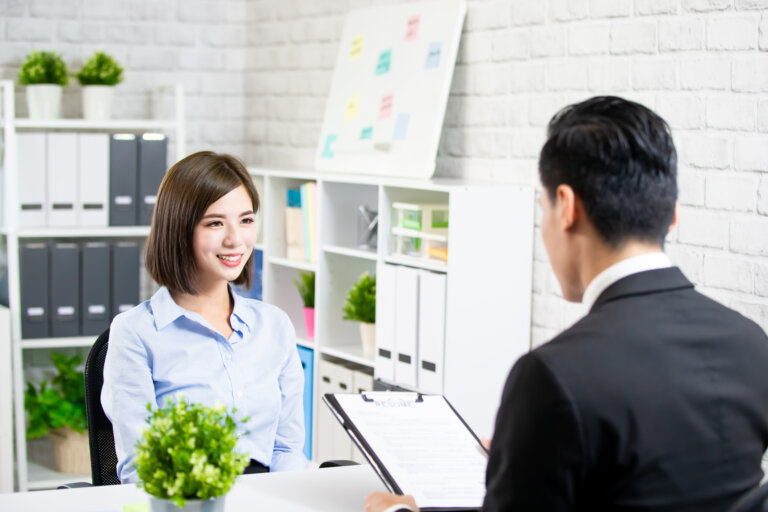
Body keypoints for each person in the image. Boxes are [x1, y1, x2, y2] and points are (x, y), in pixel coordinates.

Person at [364, 96, 768, 512]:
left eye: (543, 208)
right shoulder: (751, 345)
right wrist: (525, 460)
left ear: (567, 207)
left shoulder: (552, 377)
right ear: (673, 214)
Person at [102, 151, 307, 483]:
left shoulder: (274, 326)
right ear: (179, 228)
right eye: (215, 223)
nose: (235, 239)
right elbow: (141, 470)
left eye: (246, 220)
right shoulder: (136, 333)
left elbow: (286, 450)